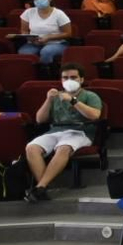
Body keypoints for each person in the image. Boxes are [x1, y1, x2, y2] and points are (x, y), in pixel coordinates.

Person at [23, 63, 102, 200]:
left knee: (63, 148)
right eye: (65, 78)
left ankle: (40, 187)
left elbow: (95, 115)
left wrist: (73, 100)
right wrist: (48, 100)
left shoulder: (90, 96)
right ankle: (44, 188)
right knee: (31, 147)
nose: (69, 80)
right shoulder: (56, 96)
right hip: (55, 131)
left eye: (73, 77)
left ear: (81, 80)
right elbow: (40, 119)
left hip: (80, 132)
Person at [13, 0, 73, 64]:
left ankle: (45, 72)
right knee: (24, 52)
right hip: (34, 43)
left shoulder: (59, 13)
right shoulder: (28, 12)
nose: (39, 0)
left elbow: (68, 33)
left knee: (46, 52)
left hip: (56, 43)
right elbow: (24, 31)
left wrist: (49, 37)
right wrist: (31, 39)